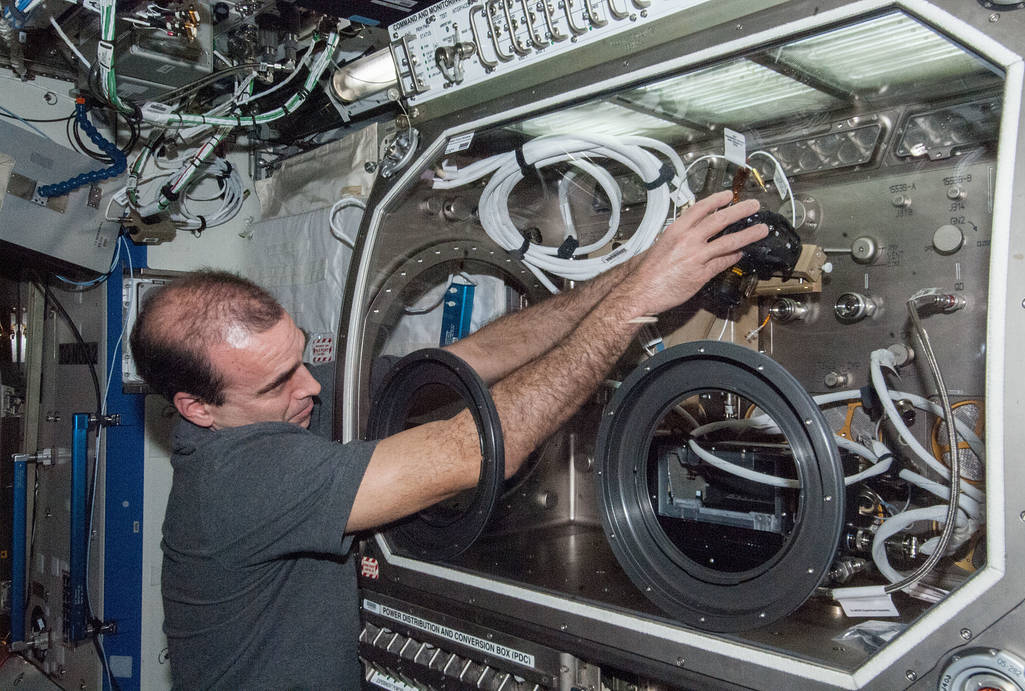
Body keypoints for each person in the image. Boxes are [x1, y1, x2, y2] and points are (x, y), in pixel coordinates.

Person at [128, 190, 766, 688]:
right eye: (278, 382)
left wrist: (634, 274)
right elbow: (476, 450)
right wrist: (637, 305)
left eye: (300, 357)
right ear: (197, 408)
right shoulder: (233, 483)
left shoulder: (279, 404)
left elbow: (473, 358)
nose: (312, 387)